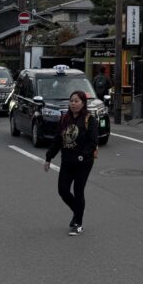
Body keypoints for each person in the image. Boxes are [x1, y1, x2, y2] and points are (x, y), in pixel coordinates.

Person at [43, 90, 98, 235]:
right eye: (71, 101)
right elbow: (57, 140)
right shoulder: (65, 119)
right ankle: (78, 211)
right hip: (67, 160)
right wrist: (49, 157)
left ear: (83, 103)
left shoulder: (89, 119)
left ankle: (78, 223)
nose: (73, 103)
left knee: (78, 191)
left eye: (76, 101)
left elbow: (93, 142)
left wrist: (83, 156)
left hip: (83, 162)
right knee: (63, 190)